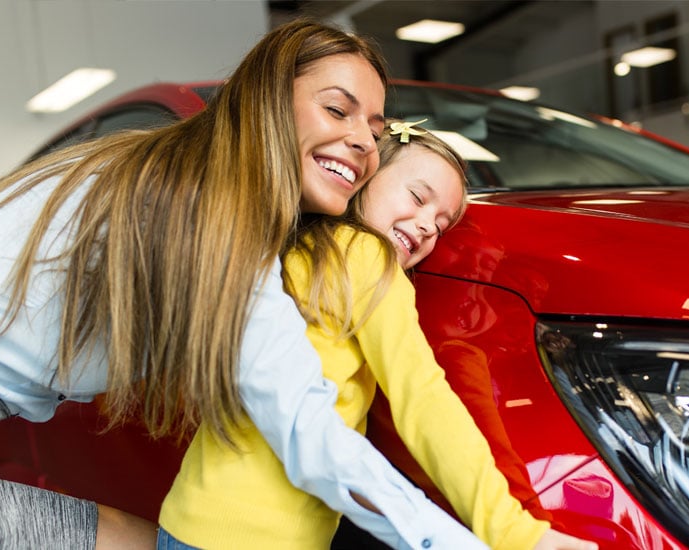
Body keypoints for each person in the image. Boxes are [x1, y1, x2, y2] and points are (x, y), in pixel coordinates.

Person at [0, 19, 487, 550]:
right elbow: (306, 432)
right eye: (338, 110)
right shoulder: (196, 210)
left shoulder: (182, 184)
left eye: (376, 129)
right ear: (266, 101)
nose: (364, 139)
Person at [158, 121, 598, 550]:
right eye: (417, 197)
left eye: (441, 224)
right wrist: (514, 532)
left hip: (191, 518)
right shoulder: (369, 258)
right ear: (364, 178)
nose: (427, 225)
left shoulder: (302, 249)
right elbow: (423, 400)